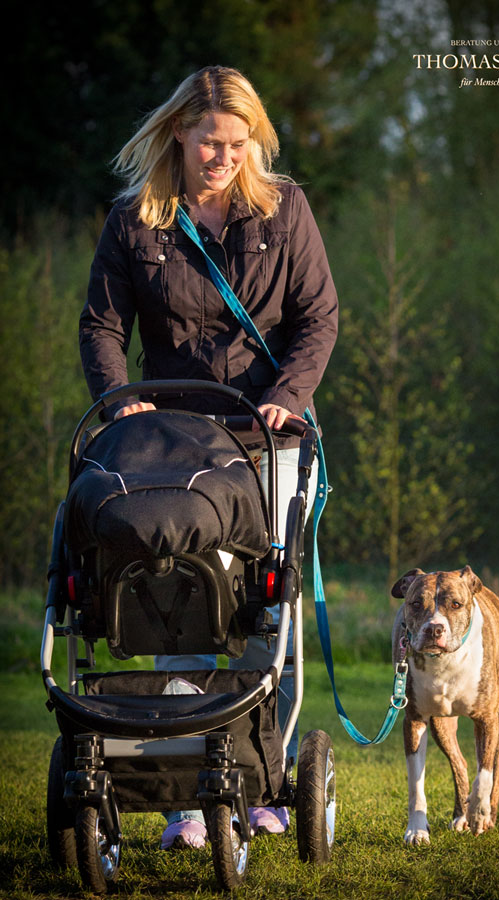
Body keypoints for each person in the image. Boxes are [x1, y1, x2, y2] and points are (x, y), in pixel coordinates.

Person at [79, 66, 338, 850]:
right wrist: (122, 399)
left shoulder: (285, 209)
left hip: (270, 440)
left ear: (253, 140)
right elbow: (100, 327)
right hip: (173, 451)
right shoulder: (135, 221)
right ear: (180, 136)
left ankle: (266, 783)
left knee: (268, 614)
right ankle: (186, 797)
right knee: (180, 608)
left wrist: (288, 396)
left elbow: (317, 318)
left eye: (238, 142)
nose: (223, 156)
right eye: (209, 142)